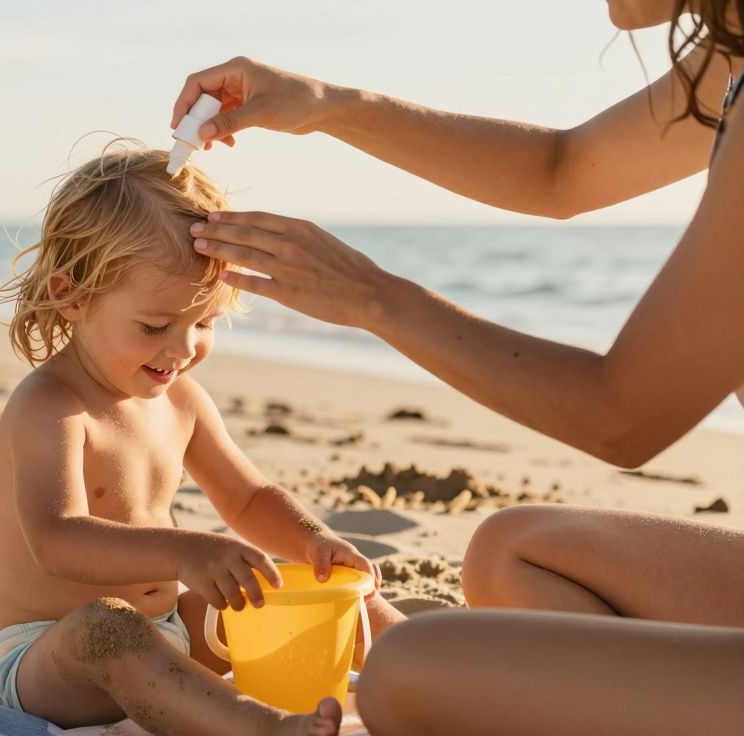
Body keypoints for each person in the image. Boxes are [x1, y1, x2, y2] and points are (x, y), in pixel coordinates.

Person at [171, 2, 744, 733]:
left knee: (406, 673)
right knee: (511, 554)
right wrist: (326, 105)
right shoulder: (732, 57)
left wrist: (373, 298)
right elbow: (563, 170)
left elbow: (622, 417)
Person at [0, 141, 404, 736]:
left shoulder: (181, 400)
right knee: (109, 624)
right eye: (156, 325)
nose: (183, 348)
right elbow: (56, 540)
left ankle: (429, 668)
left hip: (172, 632)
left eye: (204, 322)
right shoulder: (50, 405)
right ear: (69, 296)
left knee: (311, 584)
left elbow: (248, 499)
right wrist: (185, 552)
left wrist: (315, 540)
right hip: (59, 659)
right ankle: (263, 728)